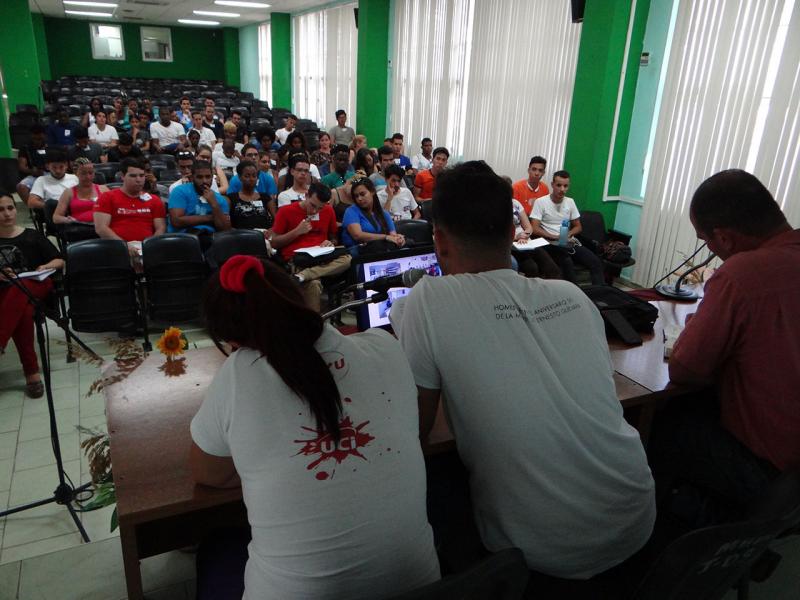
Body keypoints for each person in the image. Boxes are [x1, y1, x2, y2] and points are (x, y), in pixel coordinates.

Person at [390, 160, 655, 580]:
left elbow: (414, 435)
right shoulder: (572, 295)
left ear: (438, 241)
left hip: (541, 557)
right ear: (512, 230)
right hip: (638, 519)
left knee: (435, 484)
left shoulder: (426, 302)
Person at [190, 255, 439, 600]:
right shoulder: (385, 347)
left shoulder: (238, 374)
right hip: (425, 587)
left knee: (216, 547)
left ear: (231, 340)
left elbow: (208, 473)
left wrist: (268, 466)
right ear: (299, 299)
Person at [651, 169, 800, 526]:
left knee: (655, 421)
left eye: (707, 241)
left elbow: (685, 368)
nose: (711, 252)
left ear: (725, 238)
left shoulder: (741, 275)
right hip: (793, 467)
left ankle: (684, 535)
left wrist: (695, 328)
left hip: (765, 470)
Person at [0, 193, 64, 399]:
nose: (7, 214)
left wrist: (45, 266)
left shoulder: (32, 235)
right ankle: (32, 374)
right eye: (0, 210)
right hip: (6, 293)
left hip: (36, 284)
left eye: (10, 208)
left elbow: (59, 260)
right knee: (24, 313)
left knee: (23, 285)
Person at [271, 183, 351, 311]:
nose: (314, 211)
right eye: (313, 205)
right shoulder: (285, 211)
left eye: (320, 208)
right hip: (298, 258)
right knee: (314, 284)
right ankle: (315, 325)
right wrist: (296, 231)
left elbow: (334, 237)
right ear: (306, 195)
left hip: (320, 256)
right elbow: (274, 243)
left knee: (348, 259)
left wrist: (330, 242)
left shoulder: (328, 210)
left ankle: (304, 275)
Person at [530, 170, 606, 286]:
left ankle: (600, 295)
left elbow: (578, 226)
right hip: (549, 243)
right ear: (552, 185)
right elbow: (534, 228)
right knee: (567, 262)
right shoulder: (541, 202)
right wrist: (554, 236)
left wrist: (568, 234)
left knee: (595, 262)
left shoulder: (570, 202)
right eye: (559, 185)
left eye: (565, 186)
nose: (562, 189)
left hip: (567, 241)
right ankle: (575, 295)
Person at [94, 158, 166, 245]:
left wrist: (150, 246)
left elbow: (160, 228)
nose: (138, 180)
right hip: (117, 248)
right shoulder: (107, 197)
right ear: (122, 176)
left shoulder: (154, 200)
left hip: (147, 249)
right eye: (133, 176)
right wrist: (124, 246)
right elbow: (101, 228)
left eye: (141, 175)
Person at [167, 160, 231, 246]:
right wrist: (211, 218)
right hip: (181, 240)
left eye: (208, 177)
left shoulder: (219, 199)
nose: (204, 181)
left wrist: (214, 204)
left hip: (210, 240)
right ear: (192, 177)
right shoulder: (179, 191)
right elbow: (176, 221)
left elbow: (225, 230)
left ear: (212, 177)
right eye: (200, 177)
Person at [53, 157, 108, 242]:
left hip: (102, 227)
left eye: (91, 173)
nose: (88, 177)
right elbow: (56, 217)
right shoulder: (69, 192)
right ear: (76, 173)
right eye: (83, 173)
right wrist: (67, 220)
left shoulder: (103, 189)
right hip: (80, 230)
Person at [342, 178, 405, 250]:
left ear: (372, 192)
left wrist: (398, 239)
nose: (359, 199)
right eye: (356, 196)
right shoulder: (351, 211)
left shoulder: (384, 213)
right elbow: (357, 235)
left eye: (362, 194)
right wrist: (385, 237)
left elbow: (392, 235)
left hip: (379, 250)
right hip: (357, 253)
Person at [227, 161, 275, 233]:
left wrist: (270, 231)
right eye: (247, 176)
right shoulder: (231, 198)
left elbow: (277, 219)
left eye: (254, 176)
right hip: (240, 237)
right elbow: (226, 225)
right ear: (240, 177)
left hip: (263, 237)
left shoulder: (265, 197)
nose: (251, 179)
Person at [16, 124, 48, 207]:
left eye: (40, 139)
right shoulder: (25, 148)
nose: (38, 141)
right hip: (34, 175)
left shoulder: (50, 146)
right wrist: (32, 171)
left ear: (44, 136)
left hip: (50, 173)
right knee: (21, 187)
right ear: (31, 136)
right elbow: (21, 166)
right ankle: (34, 209)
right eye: (35, 139)